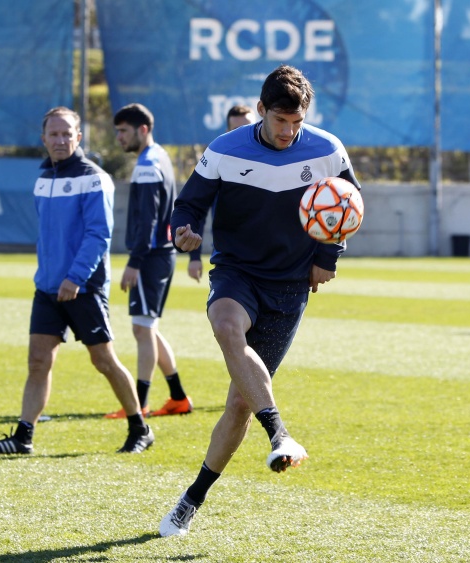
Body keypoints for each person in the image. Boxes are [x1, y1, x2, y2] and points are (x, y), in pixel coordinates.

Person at [159, 65, 361, 536]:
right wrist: (183, 233)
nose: (290, 132)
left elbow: (349, 203)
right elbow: (188, 205)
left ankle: (192, 499)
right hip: (237, 271)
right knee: (227, 327)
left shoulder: (327, 148)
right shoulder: (224, 150)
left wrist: (329, 254)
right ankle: (281, 433)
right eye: (281, 121)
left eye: (297, 122)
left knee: (237, 405)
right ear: (261, 110)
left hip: (290, 285)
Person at [0, 107, 154, 456]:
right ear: (43, 139)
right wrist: (52, 278)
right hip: (47, 288)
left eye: (66, 134)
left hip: (83, 287)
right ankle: (23, 437)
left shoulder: (94, 178)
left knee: (103, 360)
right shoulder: (44, 178)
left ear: (78, 137)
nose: (60, 140)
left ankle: (140, 428)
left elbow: (98, 234)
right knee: (38, 362)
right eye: (53, 134)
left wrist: (75, 277)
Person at [108, 103, 192, 419]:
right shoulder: (161, 157)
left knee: (142, 329)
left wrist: (135, 260)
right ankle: (178, 398)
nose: (119, 137)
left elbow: (148, 219)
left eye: (123, 131)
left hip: (151, 255)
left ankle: (139, 405)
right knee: (149, 329)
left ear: (142, 130)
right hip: (162, 254)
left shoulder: (146, 165)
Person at [187, 105, 257, 283]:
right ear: (227, 131)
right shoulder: (217, 163)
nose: (242, 134)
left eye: (247, 128)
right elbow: (198, 209)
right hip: (230, 260)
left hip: (272, 261)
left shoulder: (277, 162)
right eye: (236, 130)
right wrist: (194, 257)